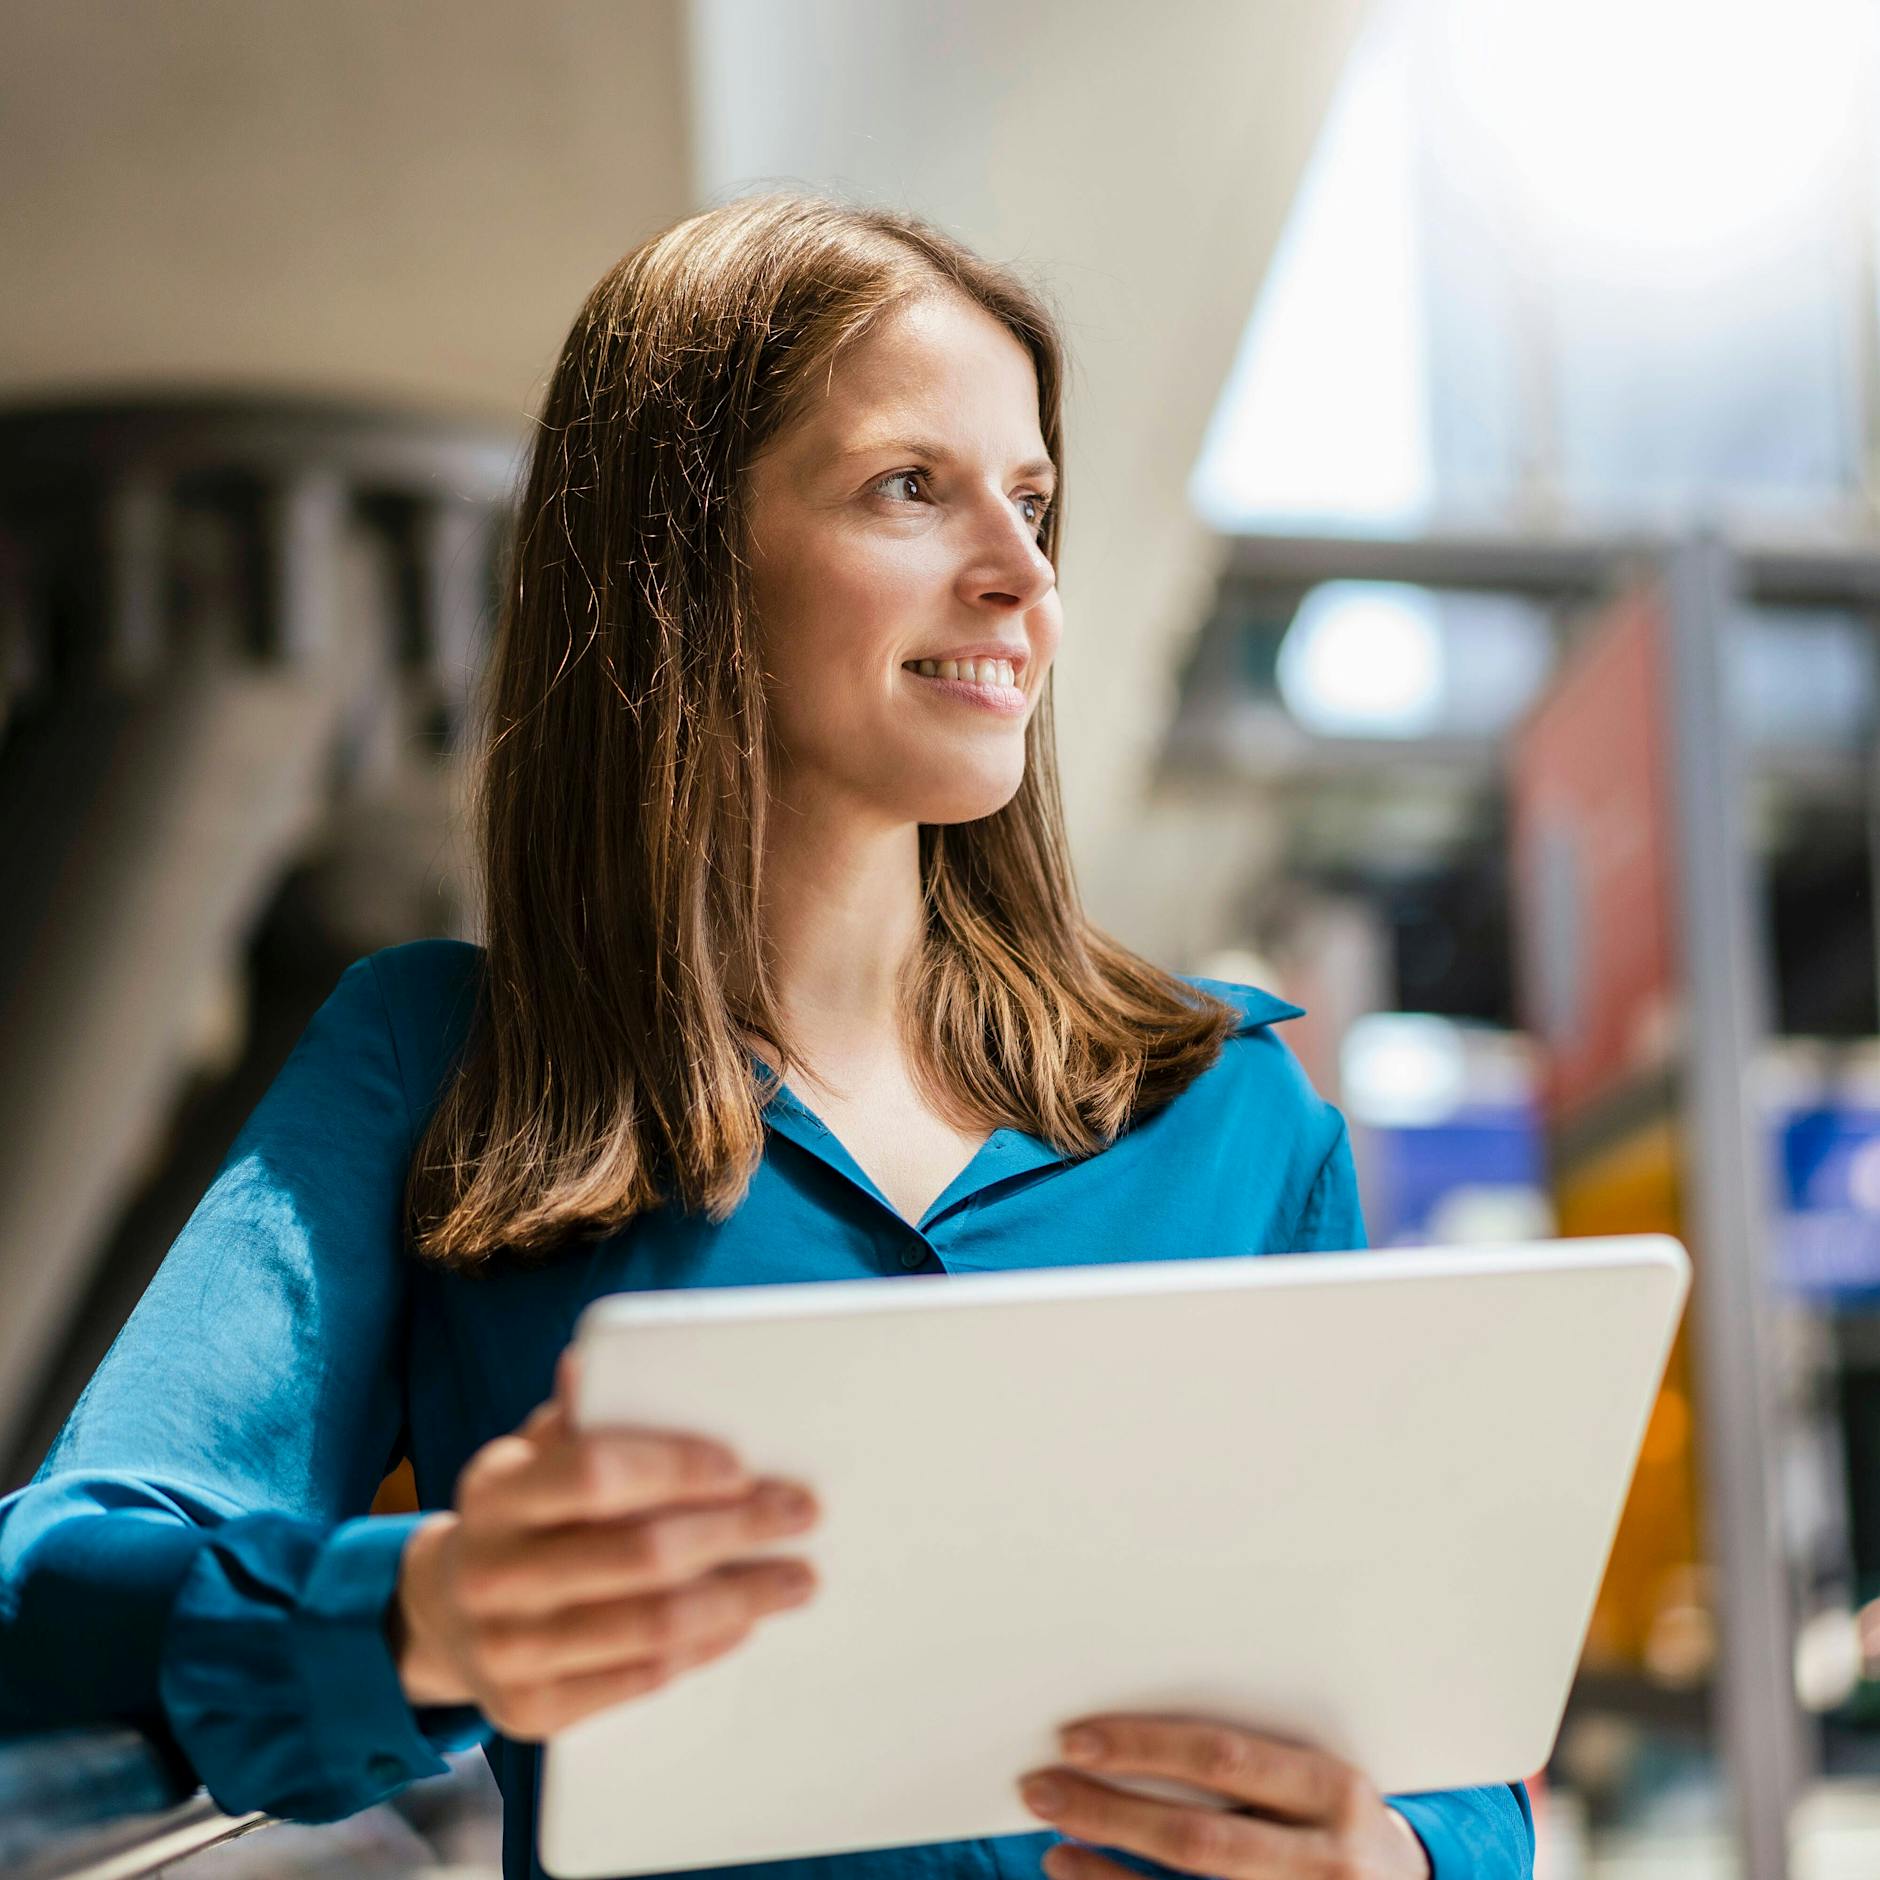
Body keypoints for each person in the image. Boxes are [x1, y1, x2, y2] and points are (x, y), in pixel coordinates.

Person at [0, 191, 1535, 1880]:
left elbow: (1445, 1744)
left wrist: (1393, 1857)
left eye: (1033, 503)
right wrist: (427, 1616)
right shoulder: (445, 1065)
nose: (1023, 575)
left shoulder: (1229, 1112)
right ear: (683, 554)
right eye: (910, 487)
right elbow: (54, 1595)